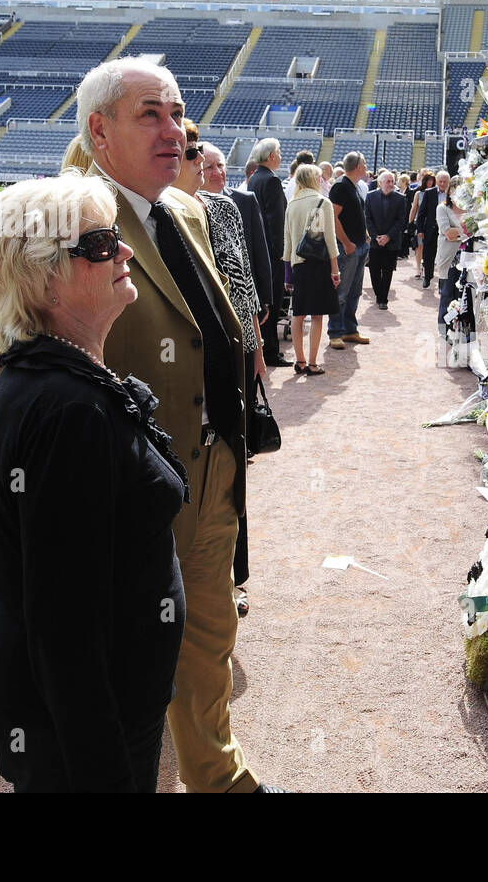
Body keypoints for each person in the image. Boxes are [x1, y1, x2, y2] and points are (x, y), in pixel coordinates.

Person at [0, 57, 278, 793]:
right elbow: (7, 361)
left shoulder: (191, 210)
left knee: (207, 636)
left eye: (179, 113)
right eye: (152, 114)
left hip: (206, 475)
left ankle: (217, 774)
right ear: (98, 131)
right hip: (122, 489)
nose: (174, 130)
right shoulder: (71, 221)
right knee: (111, 657)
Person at [0, 173, 186, 792]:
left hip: (80, 707)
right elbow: (64, 631)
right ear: (43, 277)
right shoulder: (67, 410)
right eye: (100, 243)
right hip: (77, 723)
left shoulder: (52, 378)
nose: (125, 251)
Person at [180, 124, 265, 621]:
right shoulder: (160, 218)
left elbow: (244, 282)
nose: (198, 164)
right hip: (187, 367)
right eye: (194, 156)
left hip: (231, 358)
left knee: (232, 471)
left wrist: (254, 346)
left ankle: (233, 580)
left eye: (201, 155)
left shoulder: (224, 209)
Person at [203, 143, 273, 367]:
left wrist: (265, 298)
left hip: (246, 299)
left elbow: (259, 253)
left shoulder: (245, 200)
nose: (218, 172)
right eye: (209, 167)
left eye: (220, 165)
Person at [283, 163, 340, 374]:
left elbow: (287, 244)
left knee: (297, 315)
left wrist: (288, 275)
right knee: (317, 316)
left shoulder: (291, 205)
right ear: (313, 179)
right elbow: (330, 241)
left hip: (298, 267)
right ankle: (313, 363)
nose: (322, 181)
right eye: (319, 177)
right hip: (319, 265)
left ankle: (299, 360)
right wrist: (335, 270)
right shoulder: (322, 202)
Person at [245, 138, 294, 369]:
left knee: (265, 301)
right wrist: (281, 252)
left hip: (260, 247)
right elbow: (276, 221)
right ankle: (271, 352)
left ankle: (265, 348)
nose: (282, 156)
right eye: (279, 152)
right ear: (271, 155)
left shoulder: (255, 177)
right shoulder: (272, 180)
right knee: (272, 303)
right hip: (272, 251)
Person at [327, 151, 370, 350]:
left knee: (354, 292)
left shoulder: (352, 186)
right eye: (364, 163)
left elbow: (356, 215)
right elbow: (332, 218)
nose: (366, 166)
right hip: (348, 249)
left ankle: (350, 330)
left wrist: (366, 234)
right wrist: (346, 242)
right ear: (357, 166)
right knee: (342, 292)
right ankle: (335, 332)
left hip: (359, 246)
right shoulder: (340, 186)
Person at [364, 170, 406, 311]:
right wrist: (376, 236)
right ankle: (378, 294)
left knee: (388, 271)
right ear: (380, 182)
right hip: (375, 241)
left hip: (392, 241)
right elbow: (367, 218)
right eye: (387, 181)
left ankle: (383, 299)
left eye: (392, 181)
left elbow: (401, 221)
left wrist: (388, 236)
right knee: (374, 270)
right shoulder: (370, 197)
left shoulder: (400, 198)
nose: (390, 184)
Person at [435, 181, 467, 332]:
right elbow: (448, 233)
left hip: (467, 259)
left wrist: (459, 232)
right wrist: (467, 231)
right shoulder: (442, 208)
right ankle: (444, 328)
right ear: (450, 191)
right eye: (455, 189)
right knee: (447, 294)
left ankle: (457, 328)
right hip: (450, 259)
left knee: (463, 295)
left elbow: (458, 233)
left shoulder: (470, 209)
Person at [415, 170, 450, 288]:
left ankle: (442, 281)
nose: (443, 184)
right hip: (430, 229)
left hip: (446, 230)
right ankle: (428, 277)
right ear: (437, 182)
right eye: (440, 181)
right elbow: (421, 213)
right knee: (428, 255)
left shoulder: (452, 193)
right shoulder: (429, 193)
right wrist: (419, 230)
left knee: (443, 256)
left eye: (445, 181)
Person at [408, 170, 434, 276]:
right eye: (427, 180)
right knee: (419, 246)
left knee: (429, 247)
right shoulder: (418, 193)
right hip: (420, 223)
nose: (429, 182)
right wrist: (410, 223)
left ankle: (426, 266)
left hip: (432, 223)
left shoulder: (436, 193)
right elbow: (414, 209)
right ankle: (418, 268)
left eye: (431, 180)